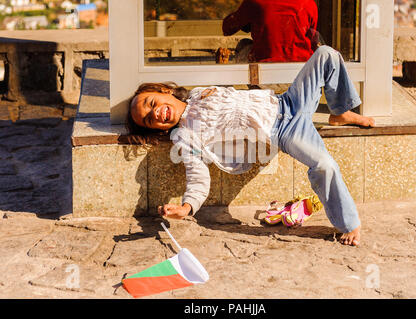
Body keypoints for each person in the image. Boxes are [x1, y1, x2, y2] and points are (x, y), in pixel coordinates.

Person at [127, 46, 375, 246]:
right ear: (157, 129)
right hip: (284, 131)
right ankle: (348, 222)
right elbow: (196, 174)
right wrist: (186, 207)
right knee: (324, 165)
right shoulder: (185, 136)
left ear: (164, 90)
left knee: (326, 55)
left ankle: (340, 112)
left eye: (151, 103)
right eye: (149, 120)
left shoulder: (197, 93)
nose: (156, 113)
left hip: (287, 101)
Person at [222, 0, 319, 62]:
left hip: (264, 75)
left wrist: (244, 13)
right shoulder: (309, 3)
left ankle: (253, 88)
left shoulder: (255, 2)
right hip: (300, 74)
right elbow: (312, 39)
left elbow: (227, 28)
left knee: (243, 44)